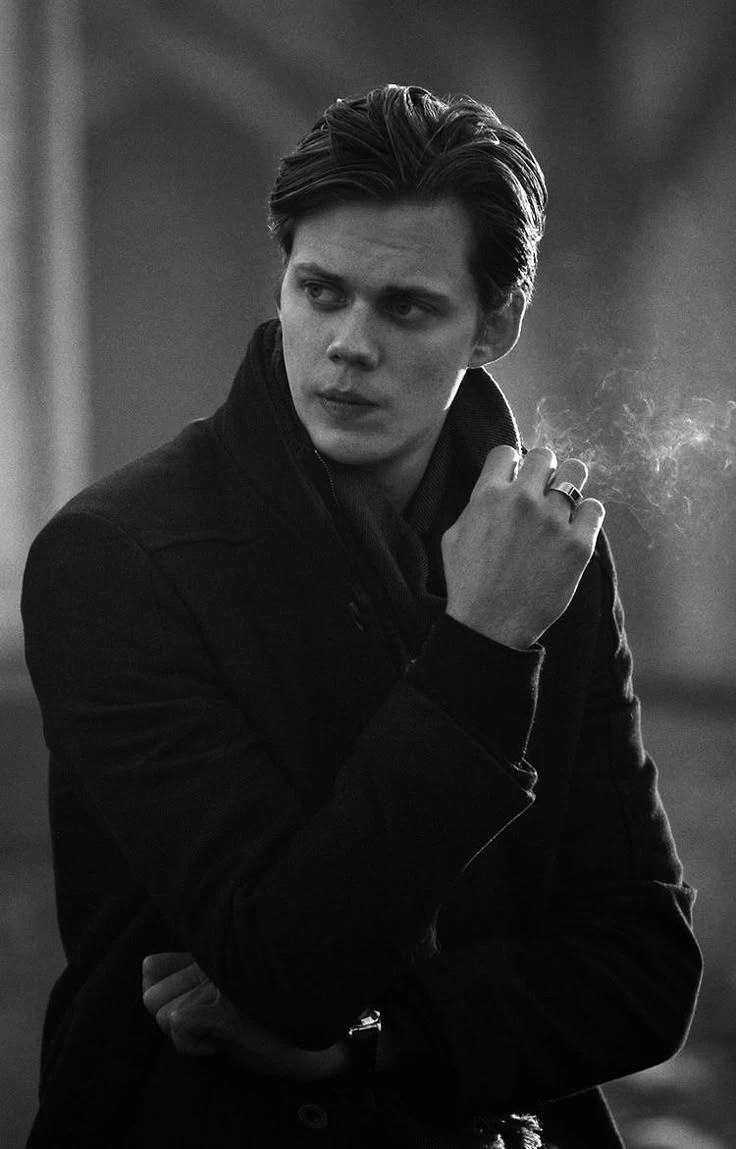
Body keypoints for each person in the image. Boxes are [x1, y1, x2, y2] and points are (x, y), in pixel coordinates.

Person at [22, 84, 701, 1148]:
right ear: (282, 282)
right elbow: (289, 964)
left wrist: (377, 1043)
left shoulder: (544, 552)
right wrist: (479, 648)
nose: (347, 343)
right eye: (321, 291)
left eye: (406, 307)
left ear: (495, 323)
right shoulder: (118, 560)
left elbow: (643, 972)